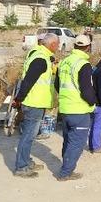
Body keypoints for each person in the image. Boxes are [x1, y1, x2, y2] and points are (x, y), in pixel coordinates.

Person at [12, 32, 60, 178]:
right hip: (34, 103)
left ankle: (26, 161)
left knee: (30, 136)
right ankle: (21, 167)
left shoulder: (38, 53)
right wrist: (18, 99)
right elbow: (28, 81)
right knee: (28, 136)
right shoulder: (40, 59)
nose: (58, 47)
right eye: (57, 45)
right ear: (52, 45)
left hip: (35, 102)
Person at [55, 35, 97, 181]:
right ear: (88, 47)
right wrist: (93, 102)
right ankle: (65, 172)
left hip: (65, 108)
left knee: (68, 140)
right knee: (77, 143)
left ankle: (67, 167)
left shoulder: (64, 61)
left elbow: (57, 85)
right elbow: (86, 90)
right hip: (79, 109)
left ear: (74, 46)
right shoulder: (83, 64)